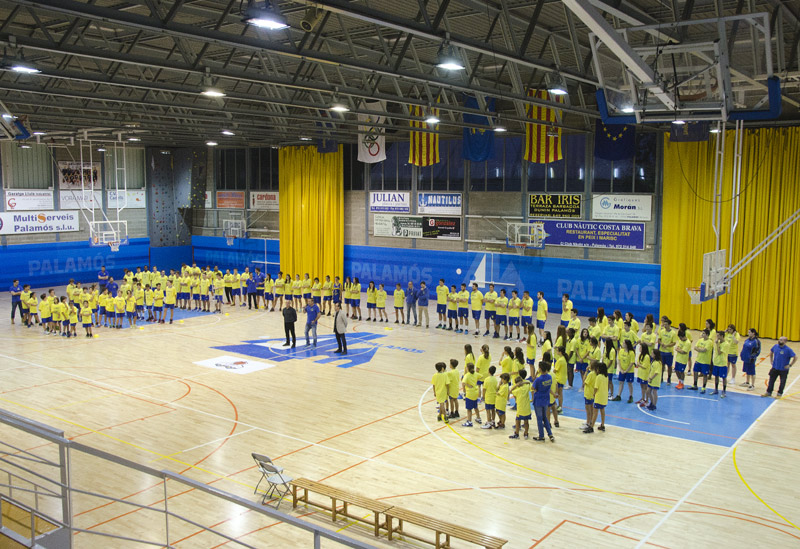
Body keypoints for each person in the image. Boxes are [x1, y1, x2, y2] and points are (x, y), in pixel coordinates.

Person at [532, 362, 555, 442]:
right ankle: (550, 434)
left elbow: (533, 388)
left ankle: (541, 436)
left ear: (540, 369)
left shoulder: (538, 379)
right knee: (545, 418)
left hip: (538, 400)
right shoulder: (549, 377)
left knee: (539, 419)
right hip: (546, 399)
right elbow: (549, 388)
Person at [509, 370, 531, 439]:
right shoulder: (526, 387)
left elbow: (510, 391)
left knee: (518, 421)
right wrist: (524, 382)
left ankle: (517, 434)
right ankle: (526, 433)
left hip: (520, 408)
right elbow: (529, 383)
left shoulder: (517, 390)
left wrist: (516, 386)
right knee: (526, 422)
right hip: (527, 408)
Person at [711, 332, 729, 397]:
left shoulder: (726, 344)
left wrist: (717, 344)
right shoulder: (717, 342)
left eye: (718, 336)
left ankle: (724, 391)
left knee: (724, 377)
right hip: (716, 362)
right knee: (716, 376)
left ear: (722, 336)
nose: (717, 337)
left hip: (722, 363)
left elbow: (719, 352)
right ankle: (716, 389)